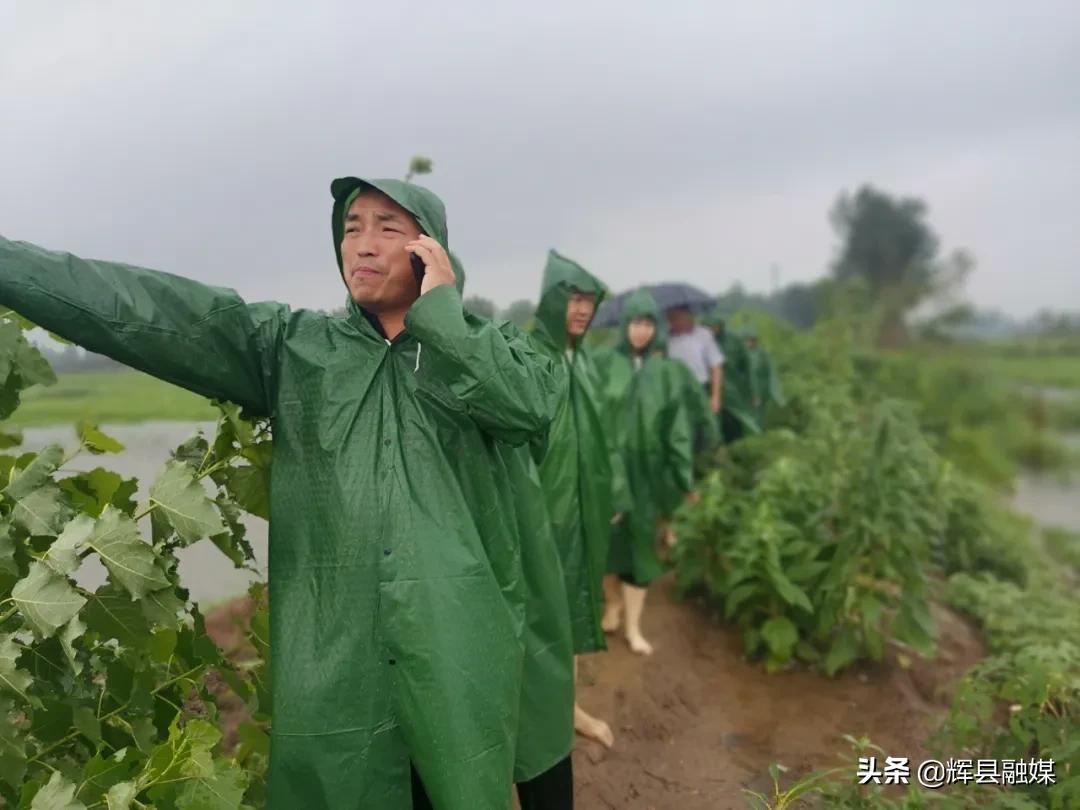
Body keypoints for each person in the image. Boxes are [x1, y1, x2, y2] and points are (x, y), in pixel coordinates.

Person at [0, 177, 565, 810]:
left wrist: (444, 318)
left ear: (431, 249)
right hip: (336, 656)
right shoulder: (294, 349)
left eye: (388, 227)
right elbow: (147, 309)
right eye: (352, 228)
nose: (364, 246)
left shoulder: (485, 351)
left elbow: (531, 409)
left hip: (456, 645)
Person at [448, 255, 576, 810]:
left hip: (515, 554)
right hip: (445, 584)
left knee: (534, 701)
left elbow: (533, 420)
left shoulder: (494, 348)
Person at [528, 249, 616, 749]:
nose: (582, 309)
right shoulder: (532, 357)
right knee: (545, 620)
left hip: (582, 513)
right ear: (552, 300)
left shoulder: (582, 362)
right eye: (573, 298)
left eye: (589, 300)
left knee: (573, 613)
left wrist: (611, 496)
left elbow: (603, 439)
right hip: (545, 517)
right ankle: (548, 716)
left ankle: (566, 708)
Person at [595, 290, 696, 656]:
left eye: (648, 324)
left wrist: (684, 480)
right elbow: (592, 418)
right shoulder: (605, 363)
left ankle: (634, 627)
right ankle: (612, 604)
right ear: (625, 326)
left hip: (647, 477)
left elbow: (677, 430)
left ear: (657, 329)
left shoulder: (666, 374)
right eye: (636, 322)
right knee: (607, 546)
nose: (641, 331)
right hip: (610, 470)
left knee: (640, 550)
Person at [702, 310, 760, 443]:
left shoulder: (733, 341)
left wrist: (753, 393)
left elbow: (747, 368)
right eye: (708, 327)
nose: (712, 330)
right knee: (711, 425)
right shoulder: (700, 341)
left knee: (735, 423)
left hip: (733, 391)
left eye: (714, 327)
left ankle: (737, 447)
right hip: (708, 391)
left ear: (720, 326)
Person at [665, 306, 724, 417]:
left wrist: (716, 396)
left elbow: (716, 366)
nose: (674, 321)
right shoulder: (665, 339)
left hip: (701, 389)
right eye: (671, 318)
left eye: (677, 317)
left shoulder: (704, 334)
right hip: (675, 392)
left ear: (688, 315)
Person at [744, 327, 785, 429]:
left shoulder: (762, 354)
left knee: (758, 413)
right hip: (746, 390)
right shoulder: (742, 354)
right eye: (747, 340)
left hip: (760, 390)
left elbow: (770, 374)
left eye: (751, 340)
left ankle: (758, 431)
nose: (749, 343)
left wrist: (775, 394)